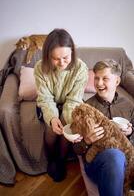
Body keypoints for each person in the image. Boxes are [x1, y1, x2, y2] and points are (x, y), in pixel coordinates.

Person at [34, 28, 88, 182]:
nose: (62, 63)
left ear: (72, 52)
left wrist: (68, 122)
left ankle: (61, 160)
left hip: (71, 103)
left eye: (65, 57)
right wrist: (52, 118)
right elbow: (44, 98)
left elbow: (74, 99)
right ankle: (52, 159)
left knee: (65, 125)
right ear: (47, 56)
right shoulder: (39, 67)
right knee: (52, 129)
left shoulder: (80, 68)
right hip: (48, 102)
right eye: (55, 59)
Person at [74, 59, 134, 196]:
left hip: (129, 160)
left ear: (117, 81)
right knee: (115, 155)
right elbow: (76, 149)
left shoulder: (128, 105)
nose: (99, 83)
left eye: (105, 78)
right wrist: (87, 141)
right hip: (100, 163)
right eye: (96, 78)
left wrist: (130, 132)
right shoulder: (86, 108)